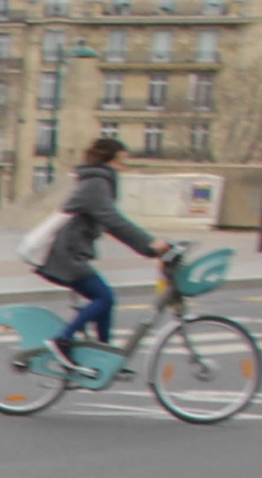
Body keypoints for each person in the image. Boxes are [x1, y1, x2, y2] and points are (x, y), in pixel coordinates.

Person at [34, 135, 170, 360]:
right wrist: (149, 245)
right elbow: (114, 221)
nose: (123, 168)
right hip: (66, 255)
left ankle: (104, 354)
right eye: (121, 162)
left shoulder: (94, 181)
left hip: (70, 252)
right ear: (108, 161)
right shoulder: (96, 184)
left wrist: (148, 246)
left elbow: (111, 223)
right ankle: (63, 340)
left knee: (105, 297)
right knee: (104, 298)